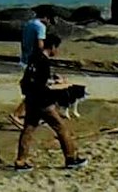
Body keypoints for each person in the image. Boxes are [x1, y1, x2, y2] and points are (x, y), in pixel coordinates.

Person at [12, 16, 84, 171]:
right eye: (56, 48)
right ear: (51, 47)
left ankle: (20, 160)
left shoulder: (33, 58)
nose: (56, 51)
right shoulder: (44, 61)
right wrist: (57, 84)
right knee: (61, 128)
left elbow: (29, 78)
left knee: (28, 129)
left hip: (31, 99)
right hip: (43, 101)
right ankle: (71, 158)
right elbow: (43, 83)